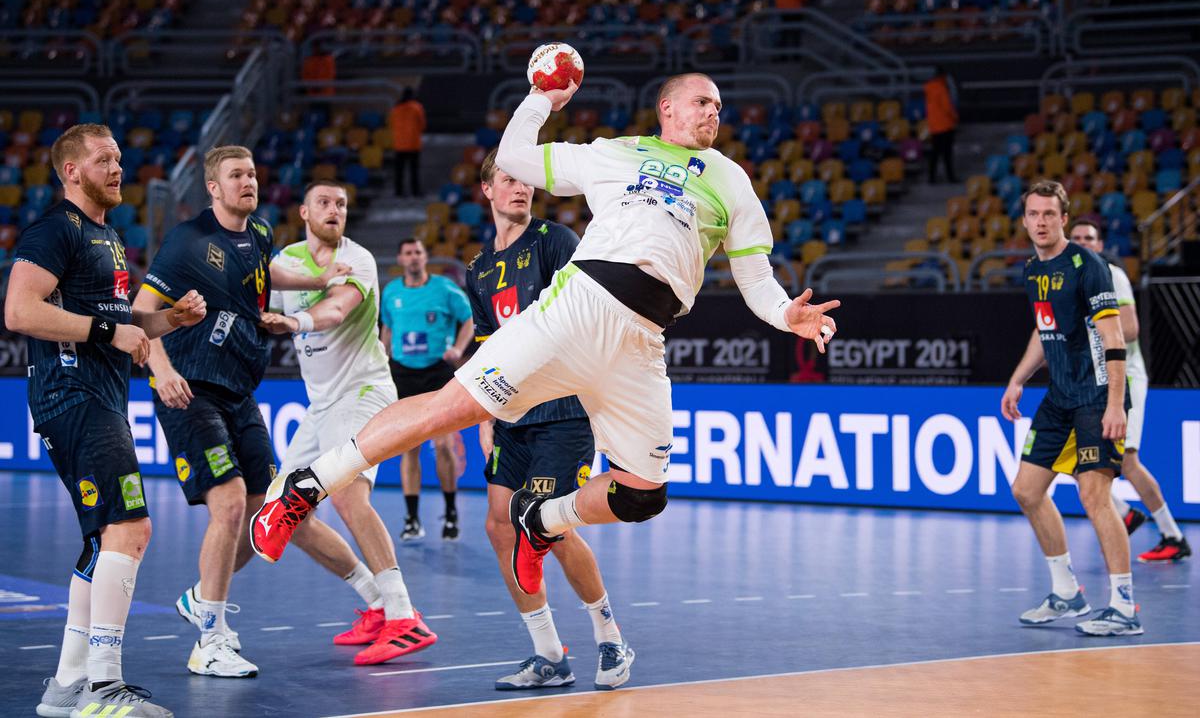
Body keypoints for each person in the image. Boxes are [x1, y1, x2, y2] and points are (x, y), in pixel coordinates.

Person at [249, 73, 840, 616]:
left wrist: (787, 314)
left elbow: (756, 278)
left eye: (718, 105)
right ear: (667, 107)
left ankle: (542, 520)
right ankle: (309, 485)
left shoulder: (730, 178)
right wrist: (541, 98)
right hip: (577, 309)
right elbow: (513, 158)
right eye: (702, 101)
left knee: (642, 494)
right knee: (449, 409)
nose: (714, 111)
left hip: (643, 343)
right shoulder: (616, 153)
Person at [8, 123, 206, 718]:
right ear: (71, 170)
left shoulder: (110, 238)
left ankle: (67, 685)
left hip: (99, 396)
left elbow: (121, 324)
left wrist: (171, 320)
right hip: (73, 396)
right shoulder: (53, 231)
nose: (118, 167)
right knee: (131, 529)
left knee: (104, 540)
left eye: (120, 156)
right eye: (103, 159)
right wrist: (105, 330)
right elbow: (19, 311)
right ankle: (103, 686)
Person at [132, 145, 345, 678]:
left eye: (252, 173)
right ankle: (210, 638)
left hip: (240, 392)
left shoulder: (260, 234)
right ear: (213, 186)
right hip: (192, 388)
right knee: (228, 505)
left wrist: (319, 282)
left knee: (261, 512)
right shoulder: (188, 240)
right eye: (235, 175)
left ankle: (201, 601)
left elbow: (266, 275)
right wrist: (161, 371)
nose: (247, 181)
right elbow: (140, 311)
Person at [468, 149, 633, 690]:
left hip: (563, 411)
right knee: (498, 523)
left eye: (525, 181)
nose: (520, 188)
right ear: (486, 191)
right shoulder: (478, 269)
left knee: (547, 525)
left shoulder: (554, 241)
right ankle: (547, 654)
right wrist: (485, 411)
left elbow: (590, 310)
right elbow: (489, 345)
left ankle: (611, 640)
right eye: (507, 180)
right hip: (512, 414)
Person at [260, 180, 437, 664]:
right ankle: (376, 602)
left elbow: (336, 309)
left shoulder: (357, 260)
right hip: (320, 406)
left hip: (363, 391)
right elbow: (257, 303)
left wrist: (293, 323)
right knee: (282, 511)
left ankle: (404, 617)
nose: (335, 209)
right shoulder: (286, 262)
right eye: (324, 202)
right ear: (303, 211)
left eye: (341, 202)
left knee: (346, 493)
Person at [1001, 179, 1141, 636]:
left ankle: (1124, 608)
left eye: (1049, 214)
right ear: (1025, 221)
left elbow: (1114, 338)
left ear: (1064, 218)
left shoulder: (1088, 265)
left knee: (1094, 496)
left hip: (1099, 396)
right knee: (1026, 490)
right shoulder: (1032, 270)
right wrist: (1018, 379)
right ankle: (1067, 593)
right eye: (1033, 215)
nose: (1041, 222)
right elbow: (1045, 331)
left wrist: (1116, 405)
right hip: (1060, 396)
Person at [1068, 219, 1191, 562]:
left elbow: (1132, 329)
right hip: (1095, 381)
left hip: (1128, 378)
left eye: (1088, 238)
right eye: (1076, 238)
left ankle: (1172, 535)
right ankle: (1125, 513)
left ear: (1099, 243)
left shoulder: (1111, 275)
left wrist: (1091, 329)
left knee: (1129, 461)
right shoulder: (1073, 282)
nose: (1082, 243)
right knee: (1076, 458)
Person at [379, 238, 473, 540]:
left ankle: (450, 513)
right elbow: (387, 329)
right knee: (410, 447)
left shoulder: (444, 289)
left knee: (444, 445)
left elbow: (469, 318)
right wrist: (383, 356)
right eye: (408, 253)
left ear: (425, 256)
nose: (414, 257)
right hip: (403, 374)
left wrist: (458, 349)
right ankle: (411, 519)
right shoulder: (391, 291)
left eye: (418, 252)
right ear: (400, 259)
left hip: (438, 372)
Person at [388, 87, 426, 197]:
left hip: (399, 145)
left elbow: (391, 124)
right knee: (414, 170)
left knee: (399, 171)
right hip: (413, 144)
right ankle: (415, 191)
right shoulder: (417, 107)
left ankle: (398, 191)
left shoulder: (395, 109)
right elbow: (422, 125)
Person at [924, 65, 959, 184]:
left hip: (934, 126)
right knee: (947, 154)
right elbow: (947, 108)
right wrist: (955, 117)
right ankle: (950, 177)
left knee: (935, 153)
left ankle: (931, 177)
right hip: (945, 125)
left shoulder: (929, 88)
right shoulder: (941, 88)